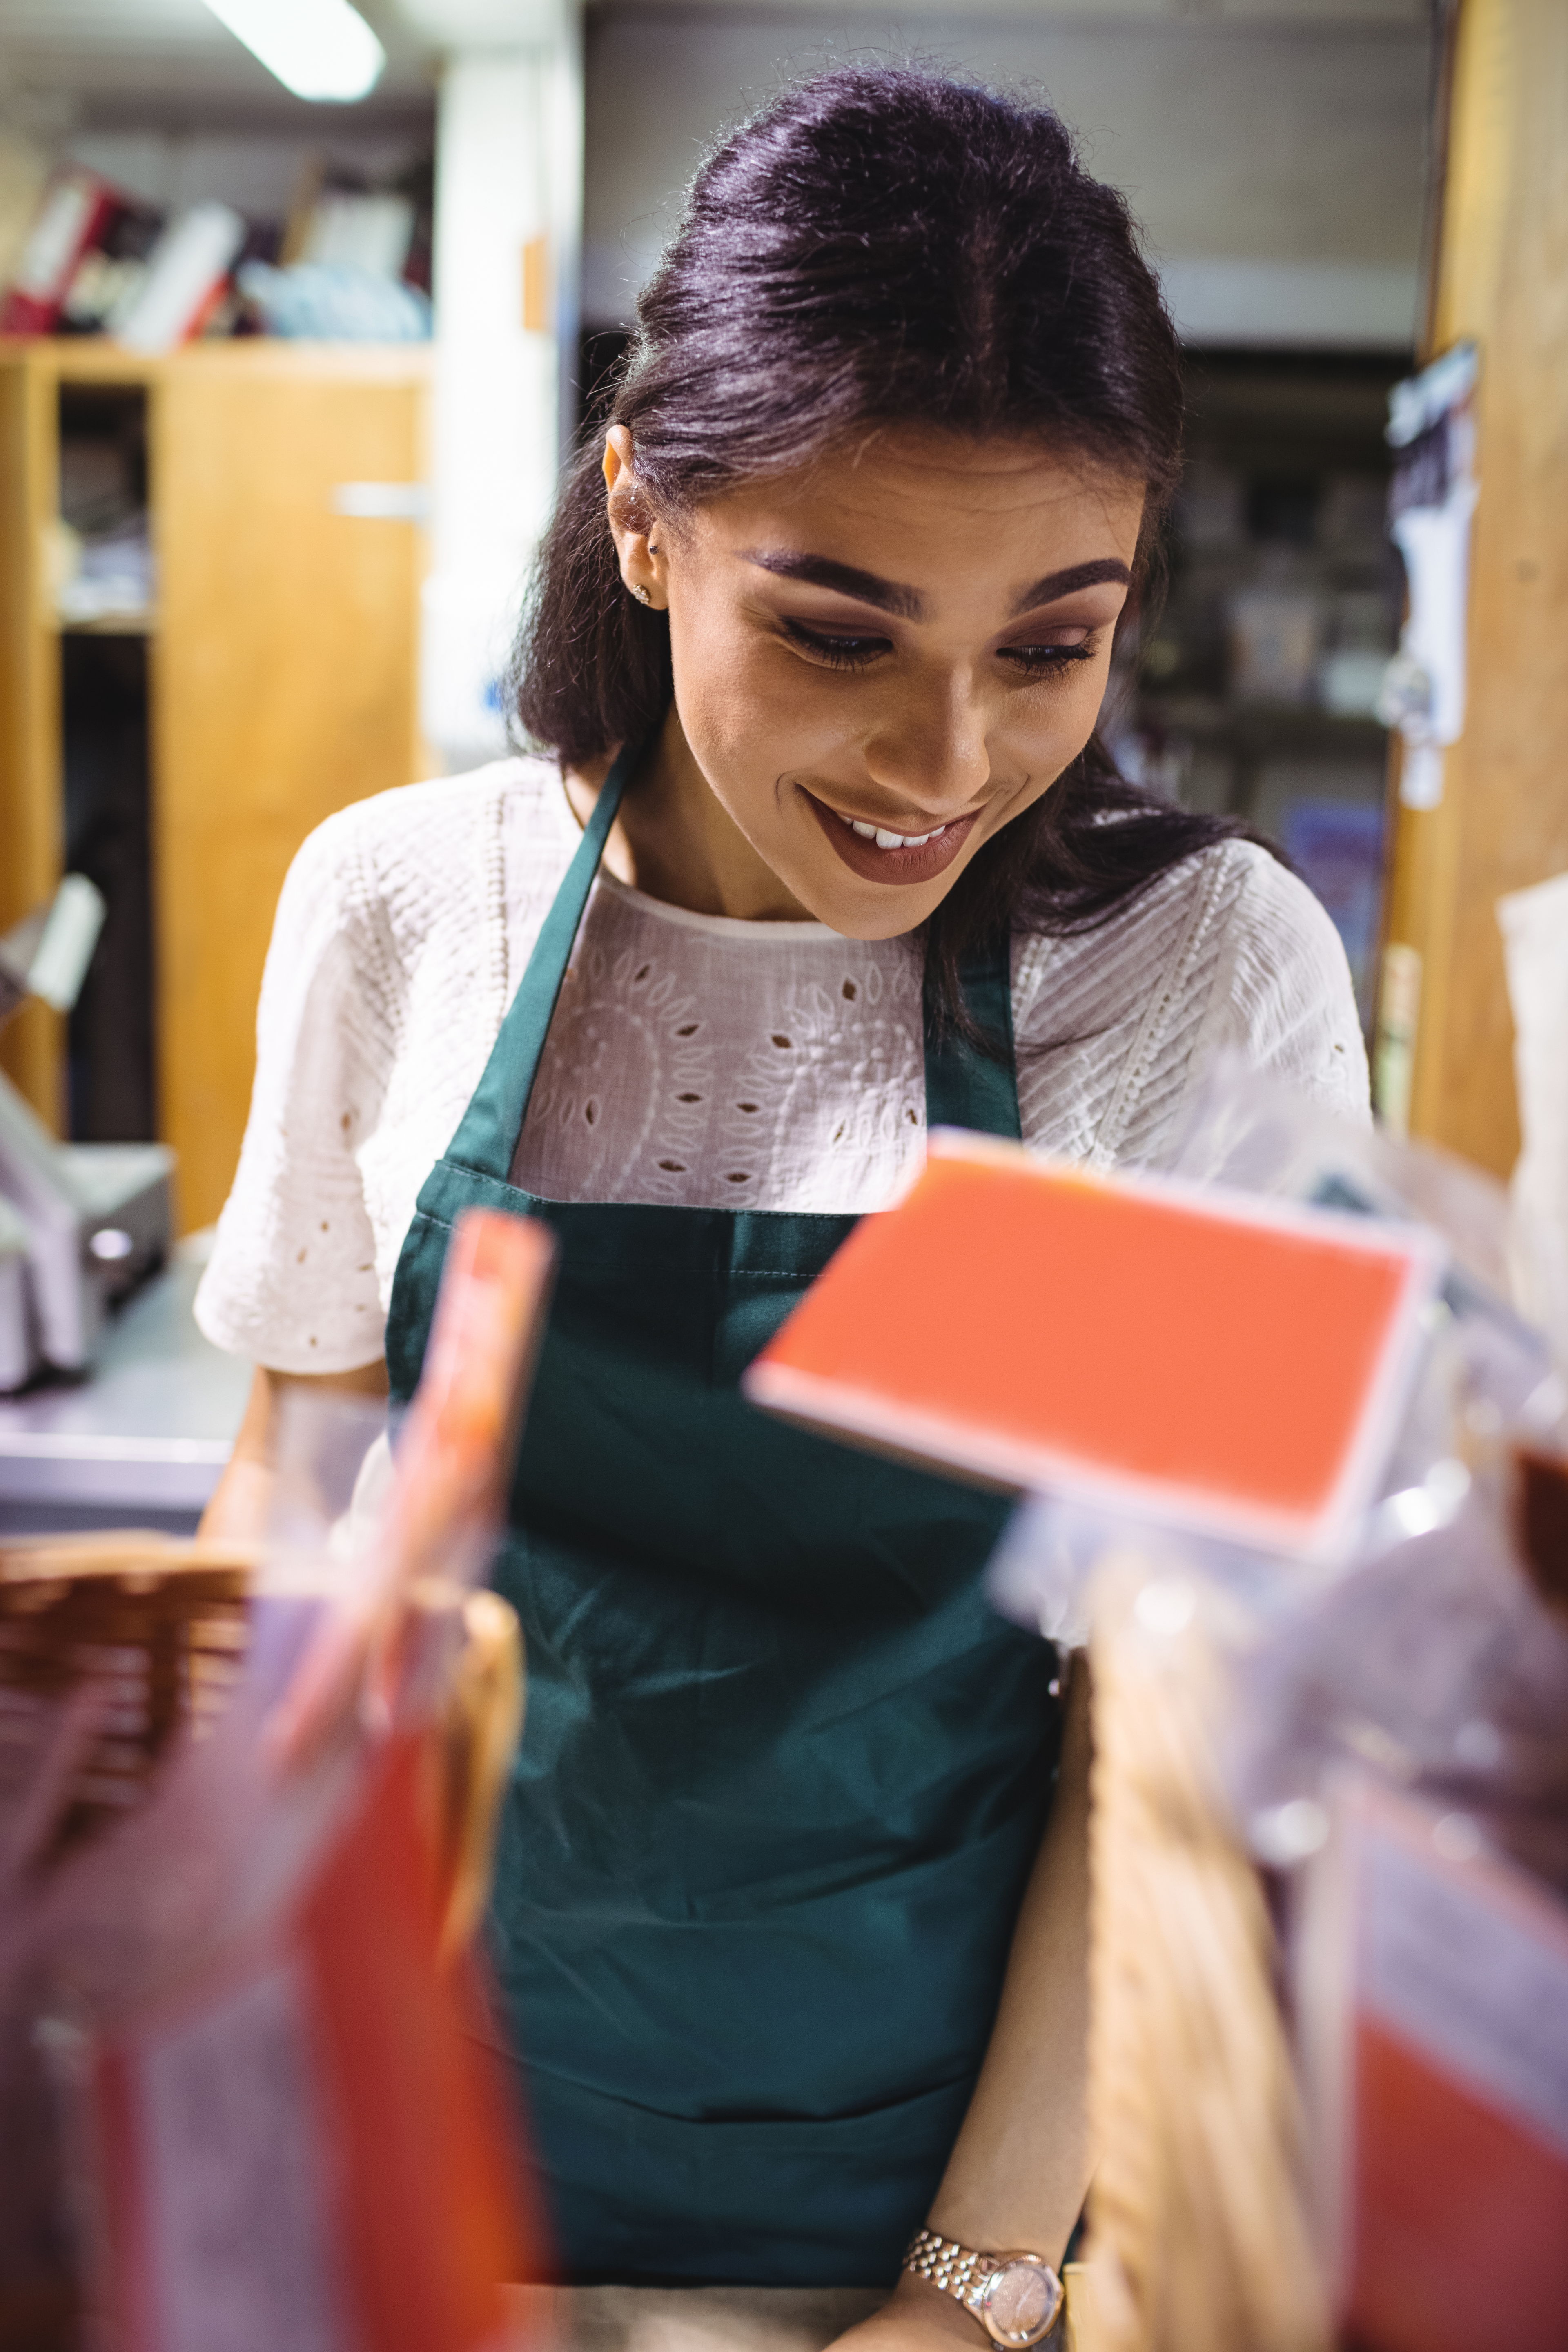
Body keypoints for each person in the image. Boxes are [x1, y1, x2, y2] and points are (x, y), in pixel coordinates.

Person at [197, 66, 1368, 2350]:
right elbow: (307, 1477)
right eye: (840, 632)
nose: (947, 765)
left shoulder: (1181, 978)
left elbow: (1176, 1724)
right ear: (645, 517)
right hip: (411, 2144)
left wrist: (975, 2285)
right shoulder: (405, 908)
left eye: (1049, 643)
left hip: (920, 2185)